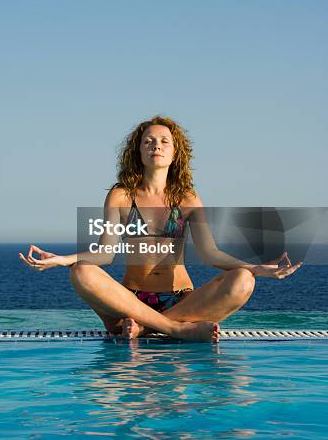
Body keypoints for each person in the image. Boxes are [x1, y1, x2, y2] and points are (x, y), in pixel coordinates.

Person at [19, 116, 303, 342]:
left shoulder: (188, 198)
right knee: (81, 272)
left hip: (181, 298)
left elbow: (211, 253)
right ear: (138, 151)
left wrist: (256, 269)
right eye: (149, 141)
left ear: (175, 152)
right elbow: (104, 254)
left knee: (243, 281)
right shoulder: (121, 195)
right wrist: (62, 260)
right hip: (129, 302)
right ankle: (174, 329)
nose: (156, 145)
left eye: (164, 141)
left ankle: (145, 330)